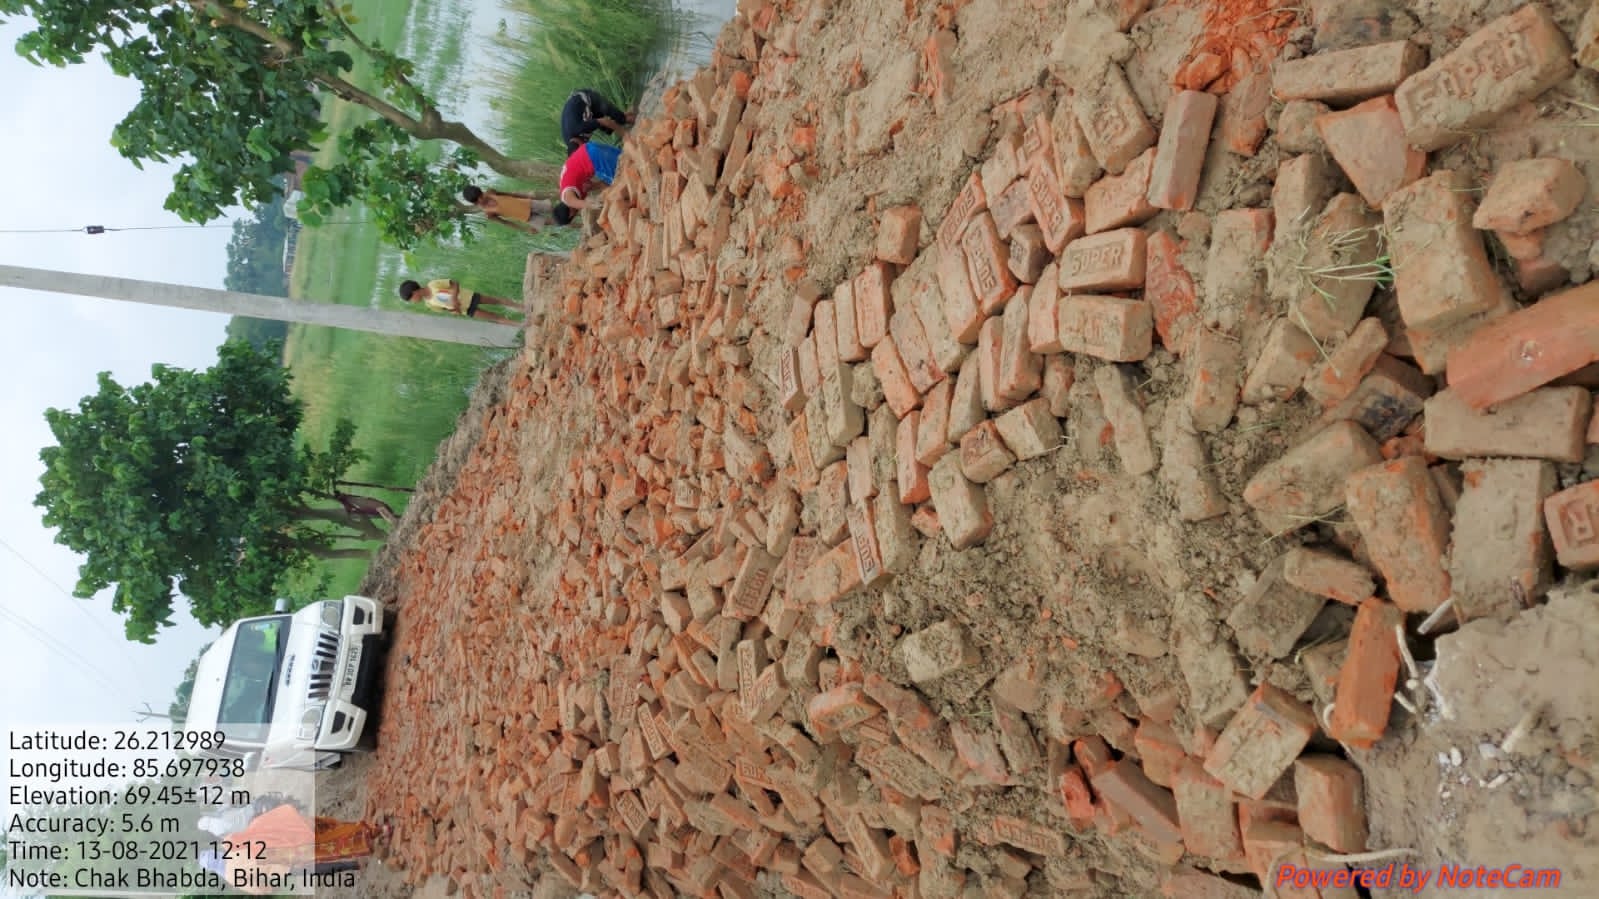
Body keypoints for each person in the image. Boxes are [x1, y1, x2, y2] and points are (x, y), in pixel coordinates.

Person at [216, 803, 389, 894]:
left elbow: (260, 888)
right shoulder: (233, 843)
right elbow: (258, 825)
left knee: (332, 847)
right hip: (292, 825)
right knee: (331, 827)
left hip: (294, 853)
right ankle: (369, 829)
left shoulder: (232, 876)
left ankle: (372, 836)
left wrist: (270, 884)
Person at [397, 278, 523, 326]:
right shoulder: (429, 304)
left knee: (496, 301)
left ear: (414, 292)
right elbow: (446, 309)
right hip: (466, 310)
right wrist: (455, 311)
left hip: (469, 297)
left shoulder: (433, 284)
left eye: (411, 299)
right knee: (494, 318)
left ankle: (521, 307)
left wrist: (454, 298)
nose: (413, 301)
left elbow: (454, 283)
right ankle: (521, 325)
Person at [552, 140, 621, 226]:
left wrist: (602, 205)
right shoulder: (569, 187)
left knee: (621, 173)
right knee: (624, 157)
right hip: (589, 148)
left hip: (593, 159)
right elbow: (600, 184)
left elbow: (589, 204)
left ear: (571, 215)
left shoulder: (568, 199)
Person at [561, 88, 633, 152]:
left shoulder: (578, 128)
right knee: (609, 128)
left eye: (583, 146)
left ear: (578, 142)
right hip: (581, 112)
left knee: (621, 119)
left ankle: (628, 117)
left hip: (586, 97)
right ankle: (629, 112)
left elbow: (604, 121)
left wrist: (625, 134)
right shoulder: (571, 144)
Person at [461, 184, 553, 234]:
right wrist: (525, 229)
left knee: (551, 208)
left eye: (481, 196)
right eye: (477, 201)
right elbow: (506, 223)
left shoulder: (491, 192)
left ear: (481, 192)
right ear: (474, 203)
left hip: (529, 203)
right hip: (527, 218)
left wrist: (527, 195)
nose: (481, 200)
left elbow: (510, 194)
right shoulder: (489, 214)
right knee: (551, 221)